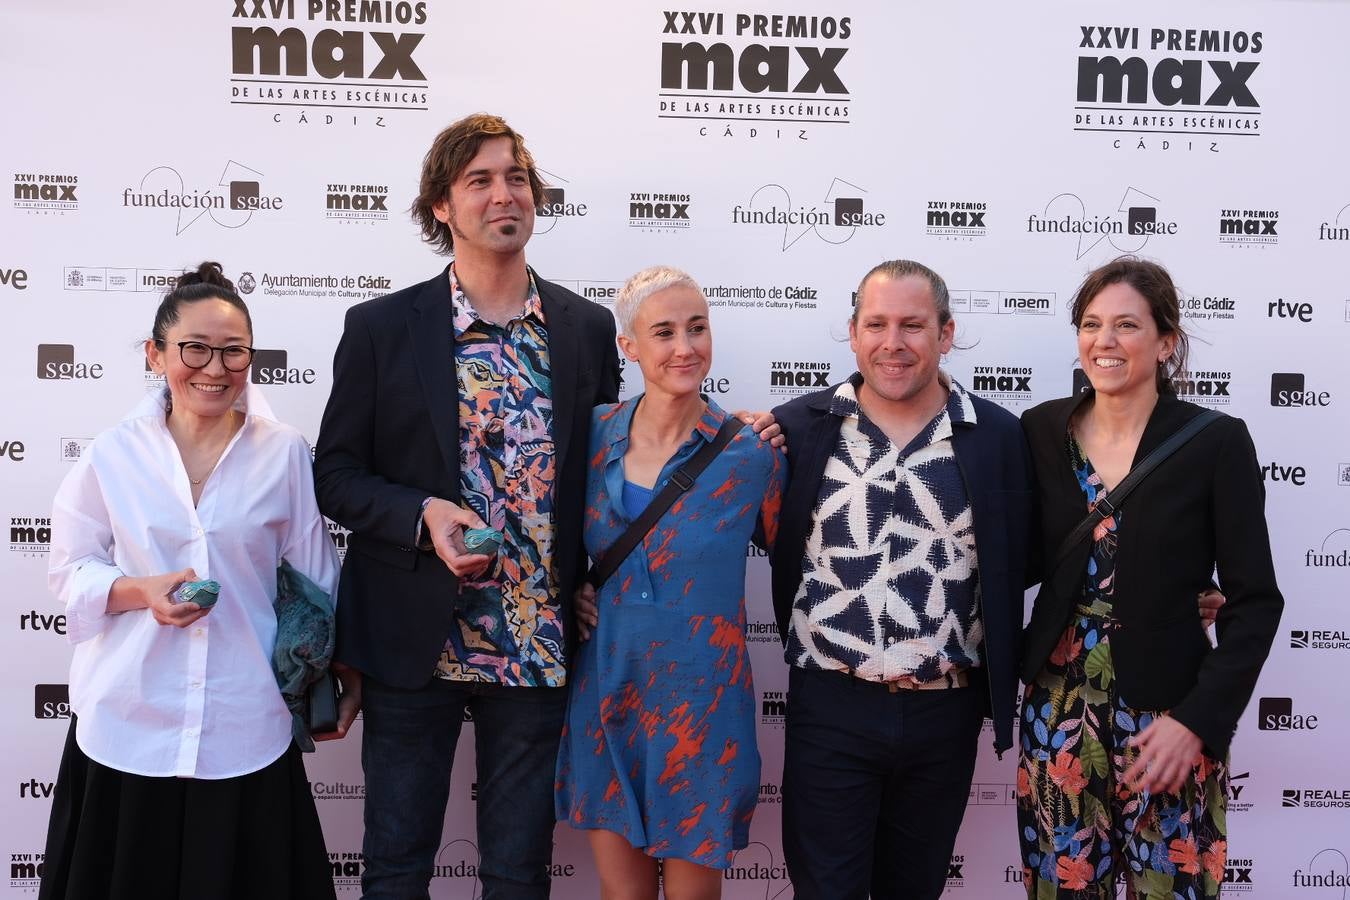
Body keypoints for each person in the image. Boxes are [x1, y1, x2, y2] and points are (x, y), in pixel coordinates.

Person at [41, 262, 356, 900]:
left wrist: (345, 675)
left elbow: (317, 577)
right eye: (195, 349)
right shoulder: (113, 452)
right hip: (128, 718)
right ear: (156, 354)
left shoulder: (284, 451)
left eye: (234, 351)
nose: (215, 368)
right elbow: (69, 568)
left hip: (245, 721)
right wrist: (141, 592)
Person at [1016, 256, 1283, 897]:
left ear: (1166, 342)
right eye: (1091, 324)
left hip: (1168, 718)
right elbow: (1015, 556)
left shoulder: (1215, 442)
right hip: (1057, 709)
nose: (1104, 341)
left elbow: (1255, 601)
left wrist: (1198, 722)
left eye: (1127, 325)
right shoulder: (1040, 431)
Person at [769, 259, 1035, 900]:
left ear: (946, 334)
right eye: (877, 324)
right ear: (853, 333)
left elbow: (1043, 552)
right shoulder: (797, 430)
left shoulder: (999, 437)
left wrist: (1170, 590)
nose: (893, 343)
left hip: (944, 713)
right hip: (830, 706)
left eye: (913, 325)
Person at [555, 266, 785, 900]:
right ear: (629, 346)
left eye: (697, 328)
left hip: (703, 707)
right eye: (663, 332)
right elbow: (546, 537)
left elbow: (805, 564)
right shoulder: (592, 434)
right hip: (608, 691)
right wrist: (572, 589)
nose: (685, 347)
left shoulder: (751, 453)